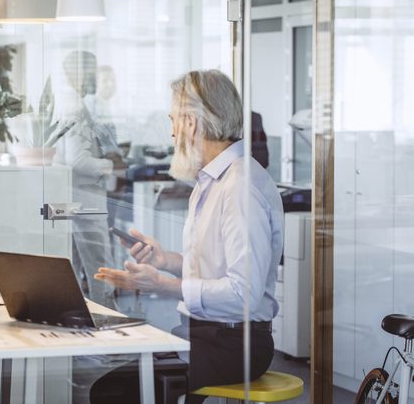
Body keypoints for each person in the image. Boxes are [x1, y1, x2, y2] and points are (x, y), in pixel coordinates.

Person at [95, 70, 284, 404]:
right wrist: (166, 261)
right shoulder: (210, 181)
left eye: (173, 120)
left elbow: (244, 293)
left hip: (235, 346)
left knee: (116, 391)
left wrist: (163, 285)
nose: (171, 132)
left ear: (192, 123)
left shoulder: (240, 187)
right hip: (204, 335)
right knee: (118, 379)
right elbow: (215, 270)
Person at [55, 51, 117, 308]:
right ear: (78, 74)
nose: (94, 78)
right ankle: (112, 331)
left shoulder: (67, 101)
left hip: (73, 197)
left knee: (78, 267)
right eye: (90, 72)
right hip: (85, 199)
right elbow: (78, 160)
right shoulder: (74, 106)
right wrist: (110, 165)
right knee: (101, 269)